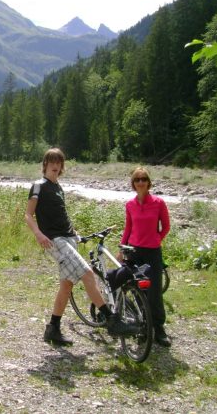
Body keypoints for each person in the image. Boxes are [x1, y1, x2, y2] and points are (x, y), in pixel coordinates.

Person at [25, 148, 137, 345]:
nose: (56, 165)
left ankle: (53, 329)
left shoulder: (58, 187)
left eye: (59, 162)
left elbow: (62, 214)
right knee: (87, 273)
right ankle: (111, 319)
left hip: (68, 239)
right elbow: (28, 215)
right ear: (45, 164)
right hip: (54, 240)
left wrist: (75, 234)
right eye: (52, 161)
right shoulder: (38, 186)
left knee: (66, 286)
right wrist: (38, 234)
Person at [118, 166, 172, 347]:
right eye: (137, 180)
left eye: (143, 179)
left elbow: (165, 226)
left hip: (152, 252)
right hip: (134, 251)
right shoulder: (130, 205)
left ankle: (159, 328)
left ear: (149, 182)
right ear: (133, 184)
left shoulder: (158, 203)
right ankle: (143, 325)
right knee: (139, 289)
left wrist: (157, 238)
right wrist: (122, 248)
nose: (140, 182)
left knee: (155, 291)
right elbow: (128, 228)